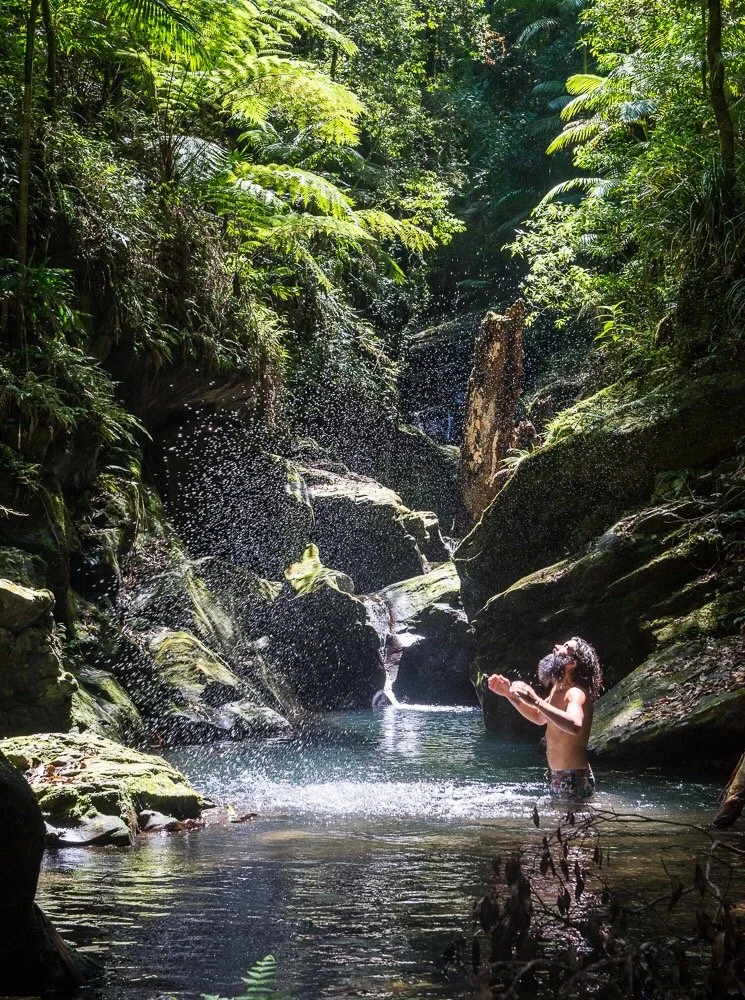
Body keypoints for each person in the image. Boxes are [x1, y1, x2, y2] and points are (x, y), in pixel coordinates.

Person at [487, 637, 603, 803]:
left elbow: (574, 724)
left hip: (573, 778)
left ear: (572, 663)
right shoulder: (557, 689)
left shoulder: (576, 693)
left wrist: (536, 700)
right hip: (557, 776)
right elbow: (539, 716)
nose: (556, 646)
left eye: (566, 646)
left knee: (571, 828)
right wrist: (508, 693)